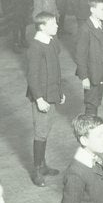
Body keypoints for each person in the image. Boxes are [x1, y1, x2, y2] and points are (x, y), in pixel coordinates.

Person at [26, 12, 64, 186]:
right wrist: (39, 98)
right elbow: (32, 76)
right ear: (42, 27)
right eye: (53, 23)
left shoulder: (50, 42)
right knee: (40, 132)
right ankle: (37, 170)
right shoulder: (36, 46)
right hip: (41, 95)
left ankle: (43, 165)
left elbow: (56, 70)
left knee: (46, 129)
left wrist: (60, 92)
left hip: (52, 93)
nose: (57, 25)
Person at [75, 0, 103, 117]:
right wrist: (84, 77)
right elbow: (80, 55)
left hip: (101, 72)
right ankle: (88, 129)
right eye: (102, 9)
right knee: (91, 104)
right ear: (92, 10)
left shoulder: (102, 25)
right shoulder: (85, 29)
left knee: (97, 101)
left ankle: (92, 125)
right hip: (92, 74)